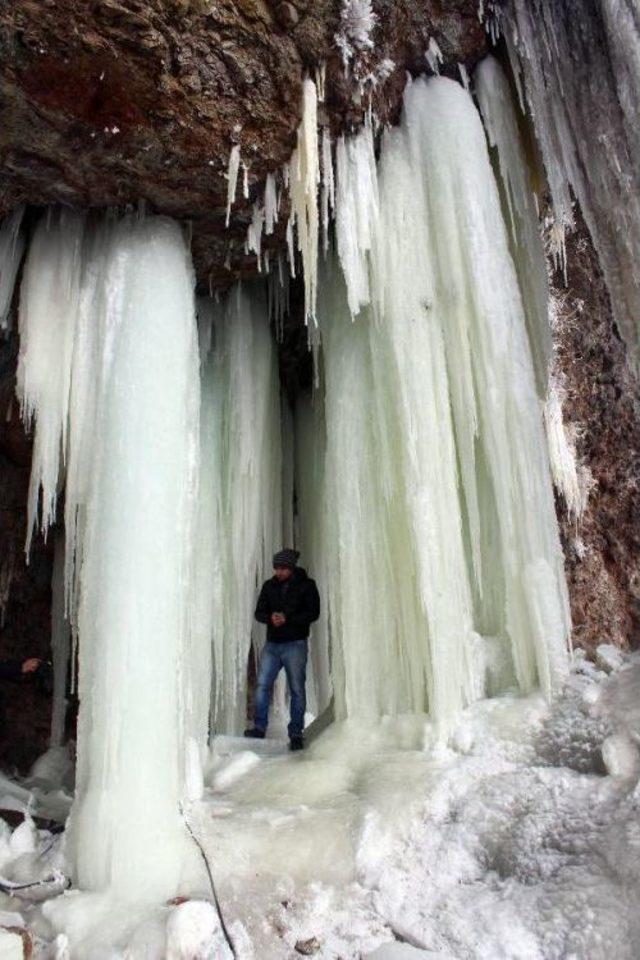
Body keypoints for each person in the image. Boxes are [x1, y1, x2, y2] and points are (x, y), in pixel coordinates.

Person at [245, 549, 320, 751]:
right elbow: (259, 612)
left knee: (297, 688)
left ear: (291, 567)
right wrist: (270, 618)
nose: (278, 572)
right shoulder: (269, 586)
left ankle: (296, 732)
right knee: (262, 684)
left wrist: (287, 618)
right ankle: (259, 728)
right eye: (276, 568)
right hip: (273, 644)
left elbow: (313, 613)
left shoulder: (307, 586)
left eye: (282, 568)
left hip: (295, 643)